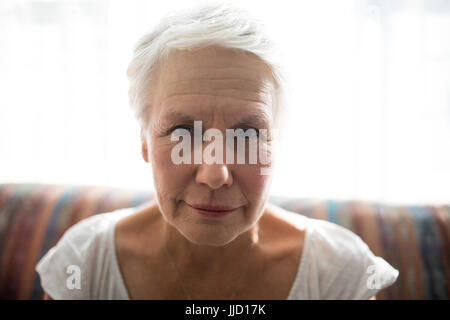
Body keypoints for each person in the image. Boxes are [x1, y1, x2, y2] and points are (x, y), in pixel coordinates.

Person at [35, 3, 398, 300]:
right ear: (145, 141)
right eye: (182, 132)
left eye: (248, 134)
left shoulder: (339, 274)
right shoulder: (85, 264)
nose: (215, 173)